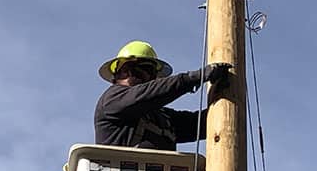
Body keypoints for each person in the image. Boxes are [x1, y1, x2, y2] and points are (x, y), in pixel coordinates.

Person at [94, 40, 231, 150]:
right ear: (126, 70)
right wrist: (196, 77)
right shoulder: (111, 100)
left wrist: (227, 102)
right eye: (148, 70)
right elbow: (150, 93)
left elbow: (198, 124)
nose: (154, 78)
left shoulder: (162, 118)